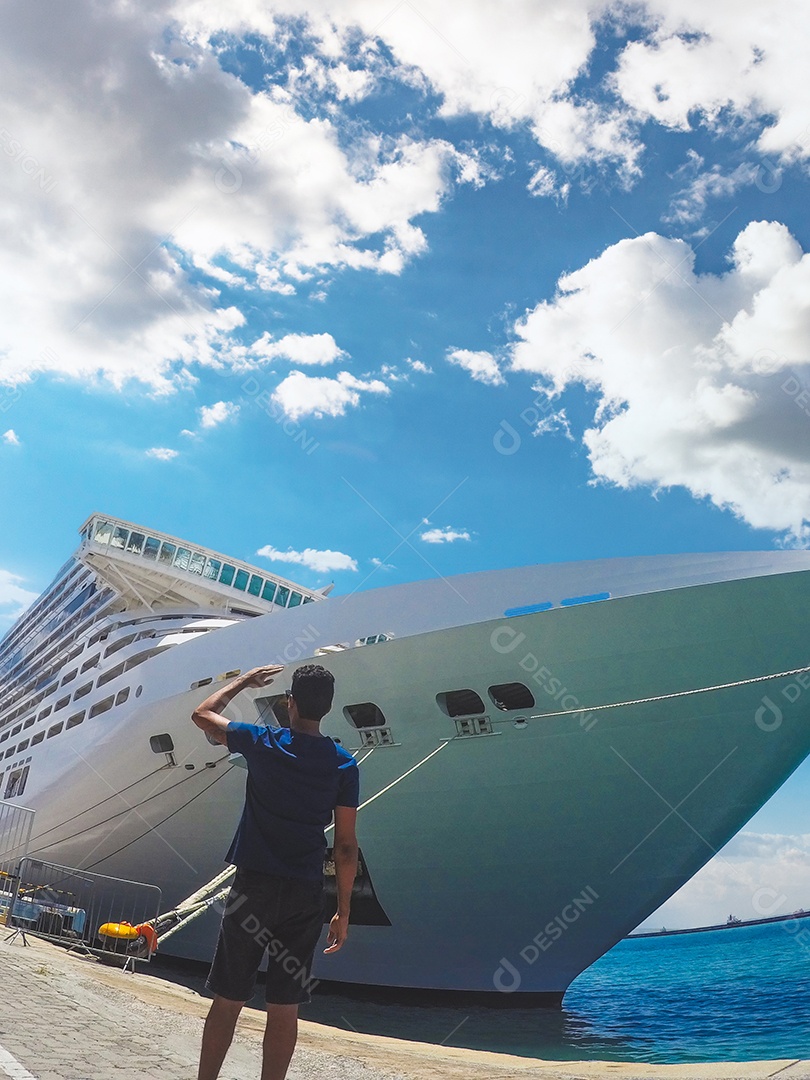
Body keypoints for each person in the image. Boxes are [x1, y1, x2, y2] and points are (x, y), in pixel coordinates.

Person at [192, 663, 360, 1080]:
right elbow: (344, 847)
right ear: (328, 708)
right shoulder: (343, 764)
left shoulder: (262, 741)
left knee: (228, 998)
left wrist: (245, 682)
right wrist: (343, 909)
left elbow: (202, 714)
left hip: (255, 888)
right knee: (285, 1007)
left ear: (290, 703)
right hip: (305, 894)